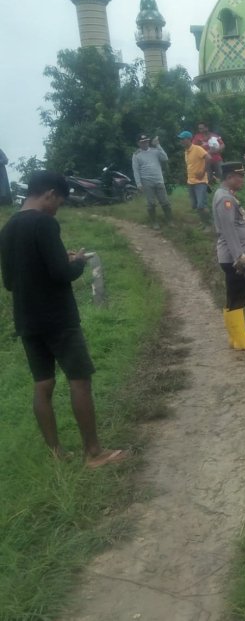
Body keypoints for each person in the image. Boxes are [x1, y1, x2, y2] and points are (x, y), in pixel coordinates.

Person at [0, 171, 127, 467]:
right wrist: (78, 262)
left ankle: (56, 453)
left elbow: (10, 282)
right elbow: (60, 274)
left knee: (42, 385)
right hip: (58, 318)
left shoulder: (7, 230)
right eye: (59, 200)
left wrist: (60, 261)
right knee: (79, 380)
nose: (58, 207)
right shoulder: (44, 223)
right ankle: (94, 453)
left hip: (27, 320)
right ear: (49, 194)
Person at [212, 161, 245, 351]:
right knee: (237, 296)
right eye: (239, 176)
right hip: (234, 258)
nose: (242, 179)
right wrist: (239, 258)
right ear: (229, 177)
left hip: (234, 256)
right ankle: (240, 339)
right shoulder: (224, 199)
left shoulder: (228, 196)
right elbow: (229, 231)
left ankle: (237, 335)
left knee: (236, 296)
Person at [131, 133, 171, 230]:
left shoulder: (155, 151)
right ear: (139, 144)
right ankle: (154, 222)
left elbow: (165, 158)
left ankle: (170, 221)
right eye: (143, 142)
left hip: (158, 179)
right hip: (146, 181)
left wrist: (158, 145)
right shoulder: (136, 155)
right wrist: (139, 184)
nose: (145, 143)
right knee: (151, 203)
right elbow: (135, 170)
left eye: (146, 141)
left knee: (165, 202)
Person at [178, 130, 211, 228]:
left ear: (189, 139)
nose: (181, 141)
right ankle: (203, 222)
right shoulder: (186, 152)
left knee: (201, 205)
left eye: (182, 139)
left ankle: (209, 225)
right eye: (180, 139)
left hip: (200, 182)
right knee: (195, 206)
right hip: (191, 182)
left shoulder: (197, 149)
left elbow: (208, 158)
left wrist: (203, 172)